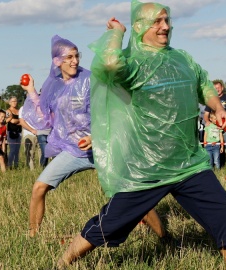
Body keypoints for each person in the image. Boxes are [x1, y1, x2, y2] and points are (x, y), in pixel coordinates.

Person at [58, 2, 226, 269]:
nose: (165, 27)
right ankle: (63, 262)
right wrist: (117, 33)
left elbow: (202, 83)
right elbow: (109, 63)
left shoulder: (182, 58)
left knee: (225, 214)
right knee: (109, 224)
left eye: (166, 20)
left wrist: (217, 107)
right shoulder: (133, 63)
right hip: (147, 167)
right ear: (139, 26)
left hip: (188, 163)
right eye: (157, 22)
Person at [23, 35, 165, 238]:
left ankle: (164, 238)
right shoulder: (53, 86)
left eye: (76, 56)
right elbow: (44, 117)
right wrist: (31, 91)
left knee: (131, 195)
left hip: (102, 147)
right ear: (57, 61)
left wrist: (94, 136)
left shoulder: (91, 80)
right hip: (73, 150)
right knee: (38, 187)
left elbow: (110, 109)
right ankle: (32, 236)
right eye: (69, 57)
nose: (75, 61)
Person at [203, 80, 226, 167]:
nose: (217, 89)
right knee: (217, 148)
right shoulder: (211, 100)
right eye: (215, 88)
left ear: (222, 88)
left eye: (219, 88)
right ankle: (221, 165)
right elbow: (206, 114)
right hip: (215, 128)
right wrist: (207, 121)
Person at [5, 97, 22, 169]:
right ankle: (9, 165)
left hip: (19, 132)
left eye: (15, 101)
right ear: (9, 102)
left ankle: (16, 165)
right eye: (13, 101)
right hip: (11, 132)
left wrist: (17, 121)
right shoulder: (8, 111)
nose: (14, 102)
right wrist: (19, 121)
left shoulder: (19, 111)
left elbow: (21, 121)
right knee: (12, 150)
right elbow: (12, 121)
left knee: (17, 150)